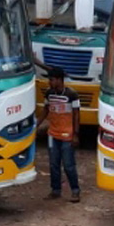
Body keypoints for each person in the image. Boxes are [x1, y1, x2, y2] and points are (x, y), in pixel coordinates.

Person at [38, 66, 81, 202]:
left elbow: (76, 115)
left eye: (51, 80)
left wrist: (75, 134)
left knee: (69, 165)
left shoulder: (72, 95)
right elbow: (46, 110)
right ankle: (55, 190)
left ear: (59, 80)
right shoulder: (49, 94)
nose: (49, 82)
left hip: (67, 136)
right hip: (53, 134)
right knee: (53, 164)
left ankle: (75, 190)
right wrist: (36, 125)